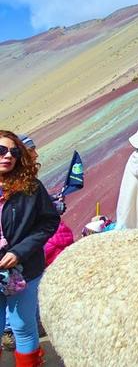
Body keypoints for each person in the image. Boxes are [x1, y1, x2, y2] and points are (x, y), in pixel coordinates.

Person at [0, 130, 59, 365]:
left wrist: (19, 251)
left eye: (14, 152)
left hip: (24, 268)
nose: (8, 156)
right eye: (1, 150)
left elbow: (49, 221)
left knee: (23, 325)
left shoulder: (30, 187)